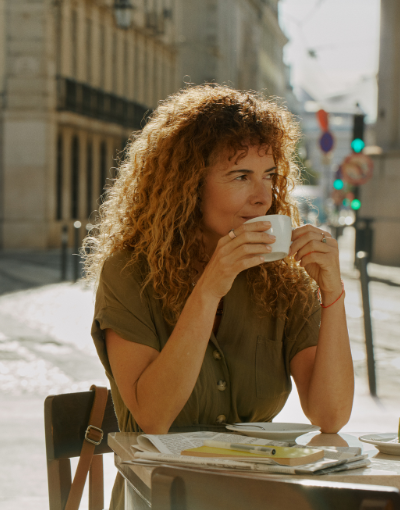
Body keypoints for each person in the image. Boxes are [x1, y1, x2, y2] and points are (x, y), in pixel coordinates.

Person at [83, 85, 354, 508]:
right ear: (188, 185)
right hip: (159, 495)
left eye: (269, 176)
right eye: (240, 176)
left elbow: (330, 415)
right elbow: (153, 417)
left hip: (258, 493)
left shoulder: (282, 278)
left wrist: (331, 292)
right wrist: (210, 288)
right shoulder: (130, 272)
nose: (263, 196)